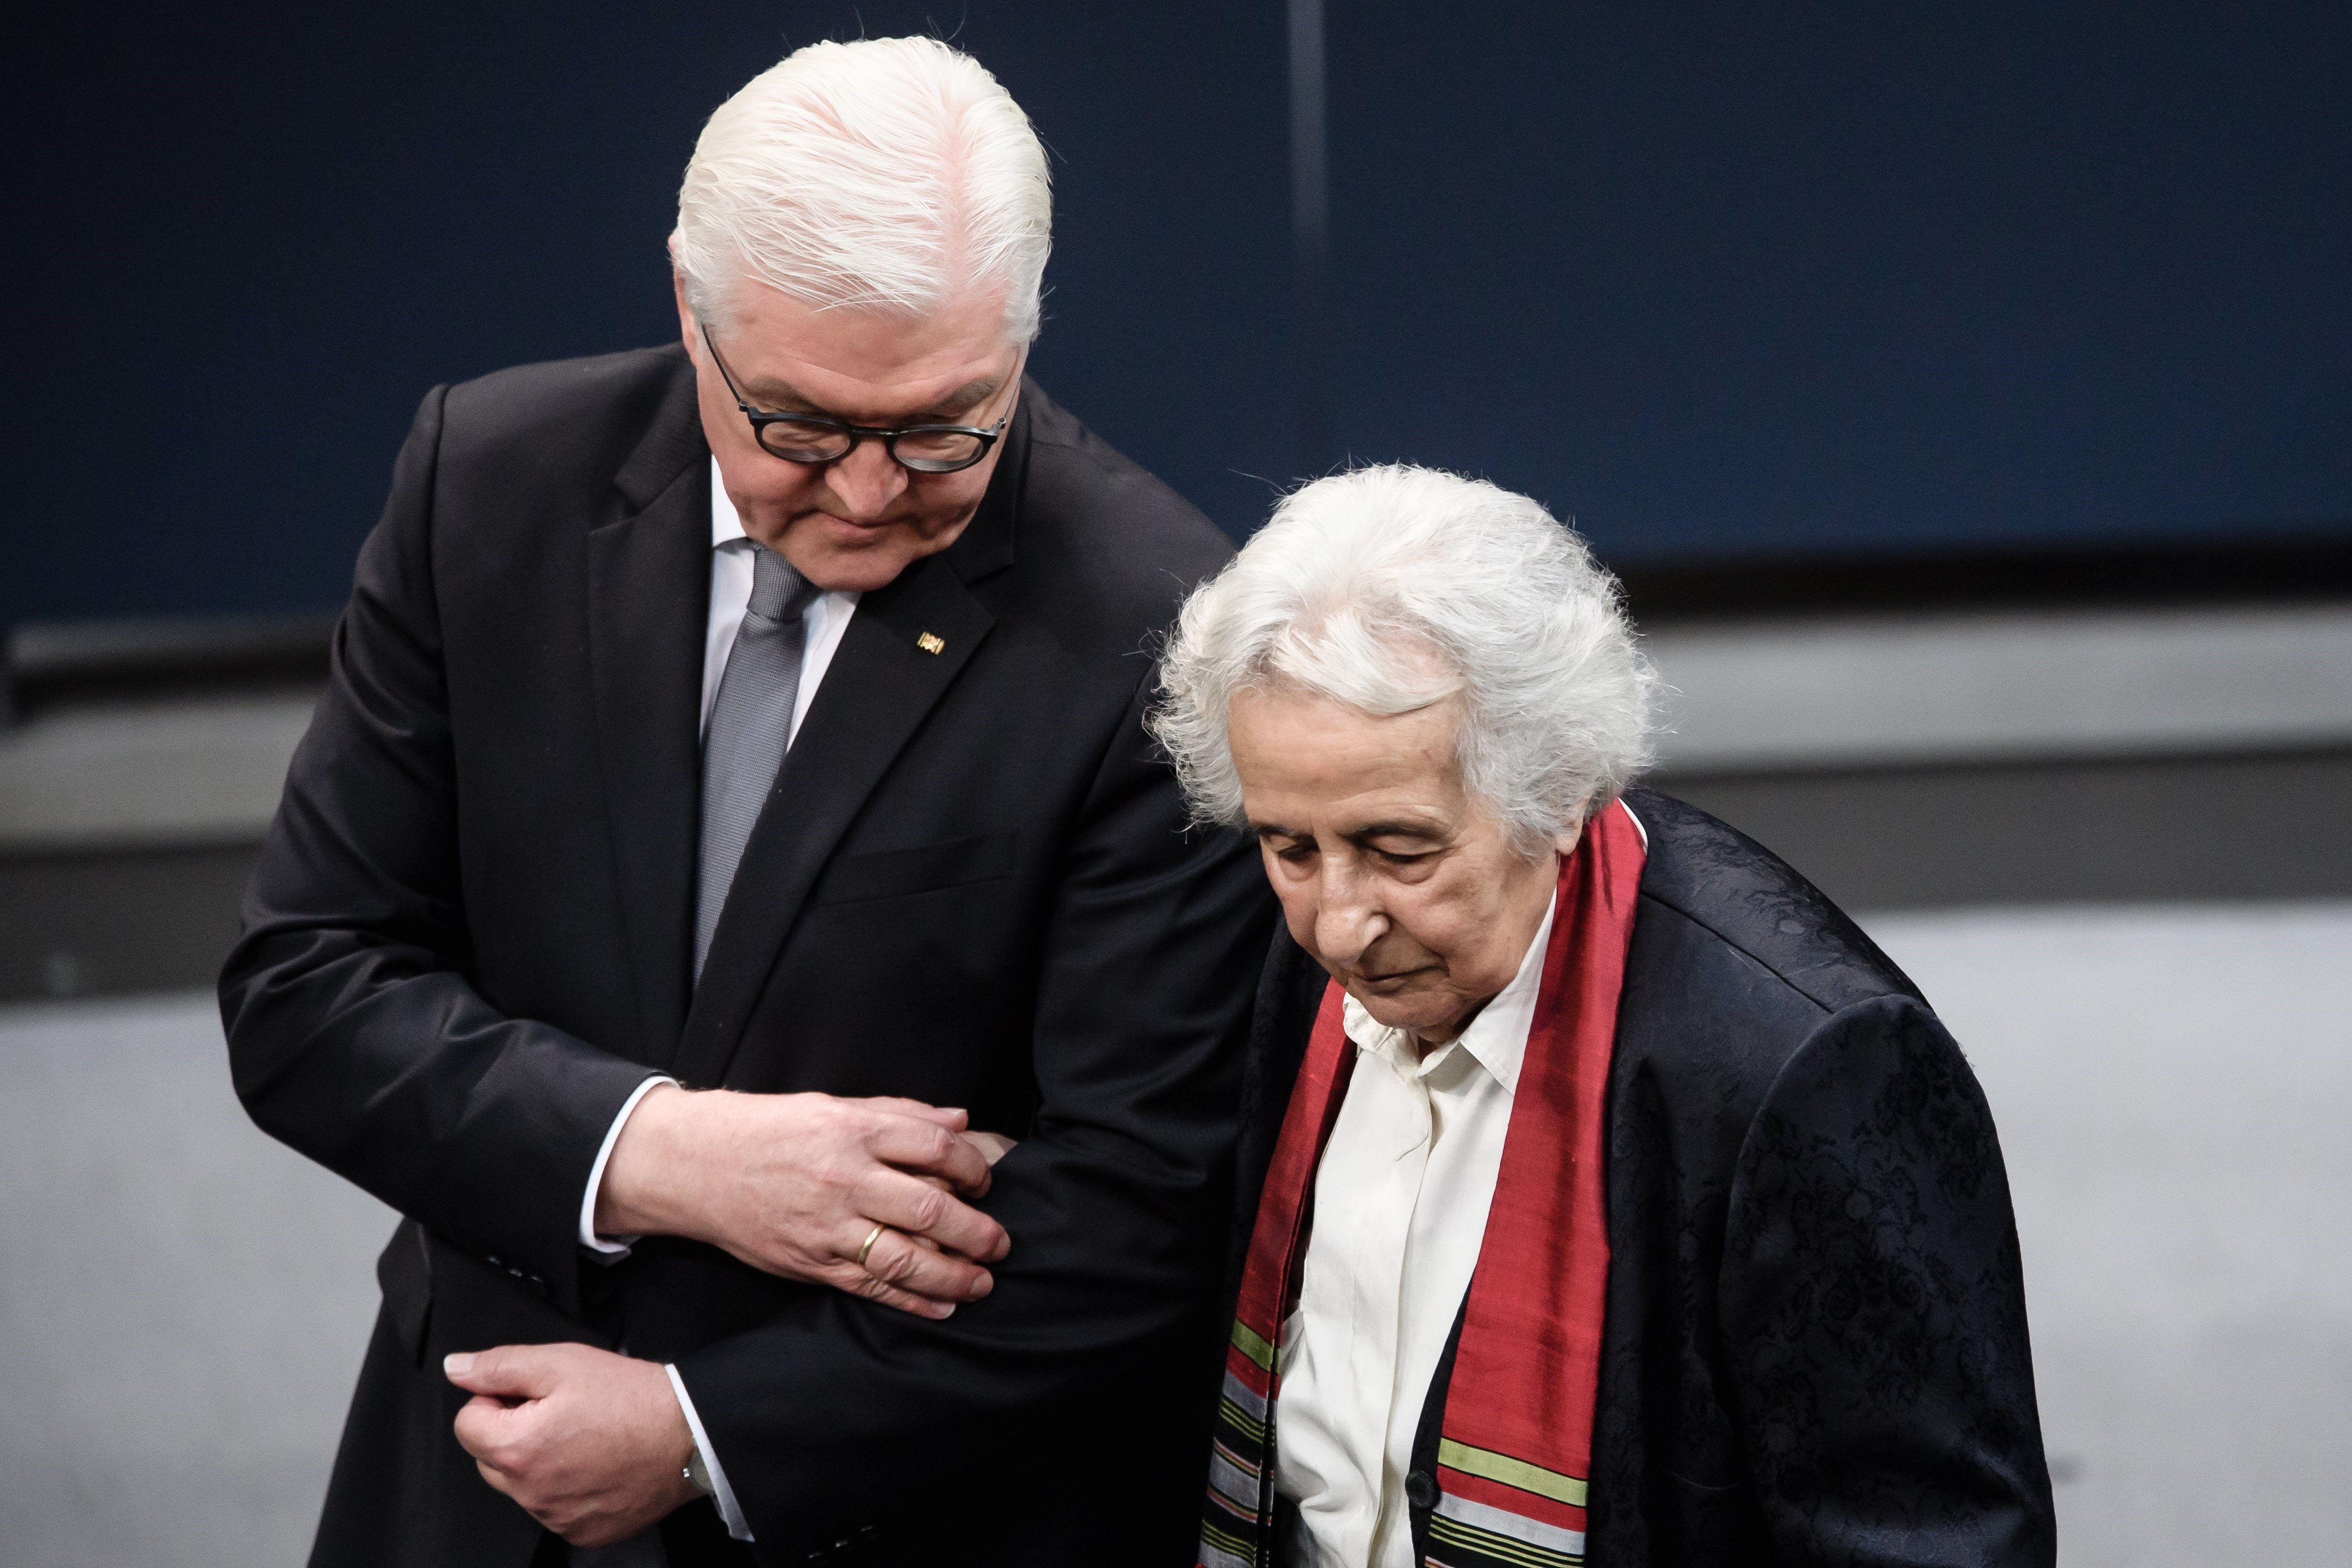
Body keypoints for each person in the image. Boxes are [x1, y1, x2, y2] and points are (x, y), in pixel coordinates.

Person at [221, 37, 1271, 1568]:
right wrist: (660, 1152)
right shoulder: (487, 483)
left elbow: (1135, 1208)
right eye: (797, 425)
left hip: (901, 1493)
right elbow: (306, 987)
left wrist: (705, 1431)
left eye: (942, 428)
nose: (863, 493)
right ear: (685, 308)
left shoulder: (1162, 625)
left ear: (1025, 334)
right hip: (482, 1451)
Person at [1150, 466, 2056, 1567]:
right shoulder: (1313, 954)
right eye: (1287, 847)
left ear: (1562, 789)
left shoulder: (1805, 1066)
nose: (1338, 926)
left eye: (1400, 850)